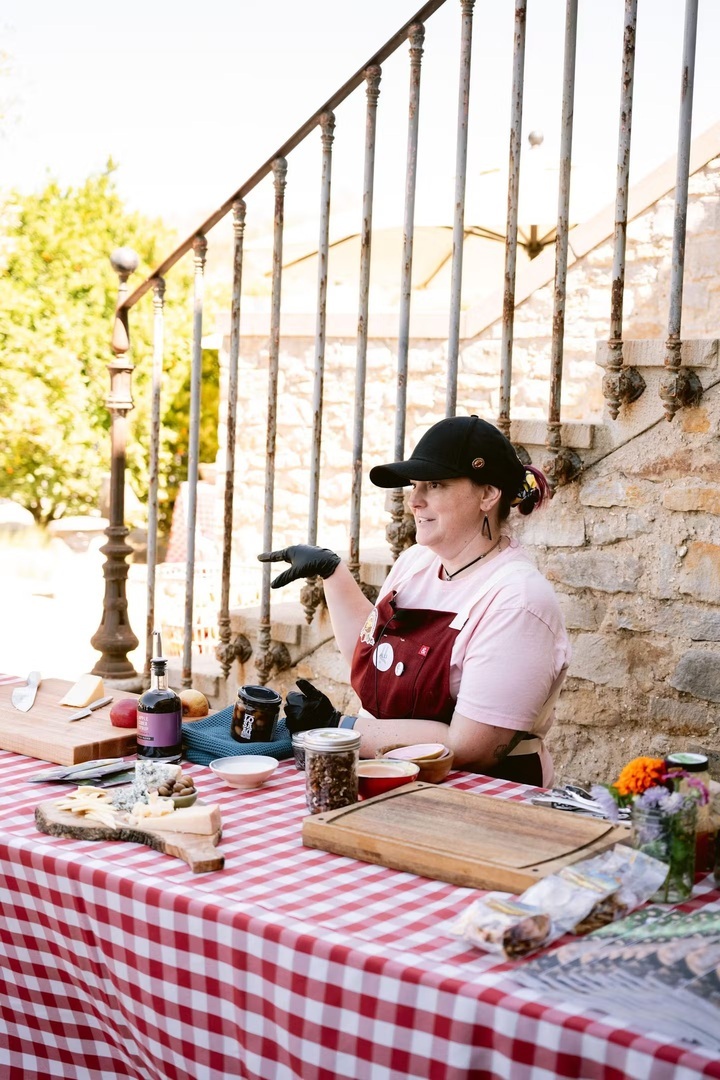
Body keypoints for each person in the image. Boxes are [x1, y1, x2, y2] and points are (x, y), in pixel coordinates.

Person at [259, 414, 570, 786]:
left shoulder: (517, 600)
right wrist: (333, 573)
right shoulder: (416, 562)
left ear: (488, 494)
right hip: (390, 777)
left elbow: (471, 746)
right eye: (415, 485)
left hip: (481, 795)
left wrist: (340, 727)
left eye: (435, 485)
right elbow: (374, 655)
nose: (414, 501)